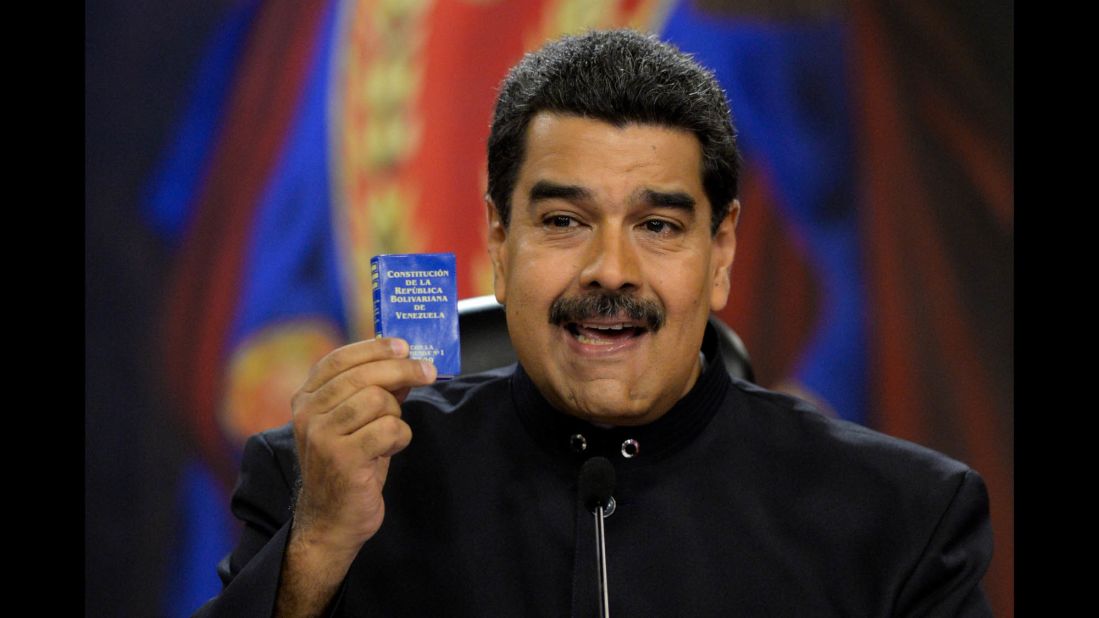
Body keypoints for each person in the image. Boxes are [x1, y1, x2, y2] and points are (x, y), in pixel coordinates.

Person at [195, 29, 993, 617]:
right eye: (564, 221)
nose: (610, 269)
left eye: (658, 226)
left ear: (720, 256)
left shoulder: (904, 515)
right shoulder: (321, 493)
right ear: (499, 248)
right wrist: (316, 552)